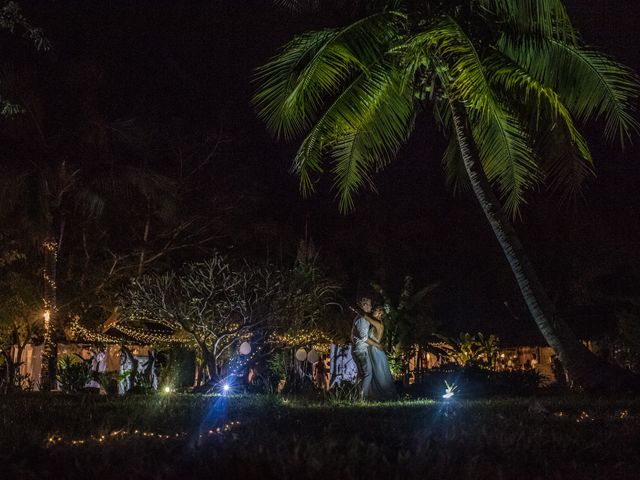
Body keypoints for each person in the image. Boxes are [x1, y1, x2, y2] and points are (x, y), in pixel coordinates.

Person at [367, 306, 396, 400]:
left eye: (380, 313)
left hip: (376, 352)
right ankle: (376, 395)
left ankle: (386, 395)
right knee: (375, 372)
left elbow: (366, 317)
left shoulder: (379, 324)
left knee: (379, 373)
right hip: (373, 350)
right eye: (376, 312)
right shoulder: (375, 324)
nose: (378, 315)